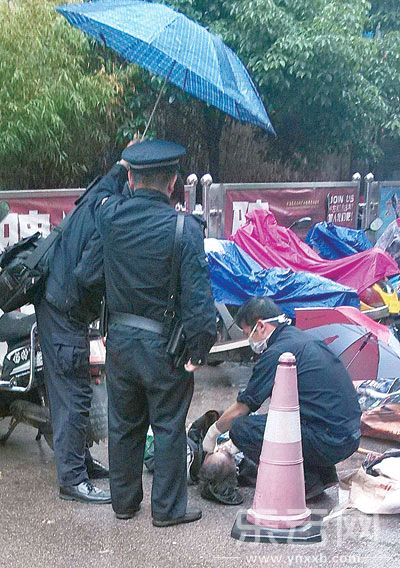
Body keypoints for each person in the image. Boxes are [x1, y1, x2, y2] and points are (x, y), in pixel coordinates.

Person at [92, 139, 217, 525]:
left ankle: (124, 504)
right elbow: (198, 302)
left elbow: (100, 196)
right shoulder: (185, 228)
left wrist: (121, 164)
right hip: (166, 347)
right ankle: (167, 509)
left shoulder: (109, 217)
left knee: (124, 426)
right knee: (168, 427)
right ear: (174, 182)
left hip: (121, 342)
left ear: (130, 177)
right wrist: (199, 350)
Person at [35, 157, 132, 504]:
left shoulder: (101, 195)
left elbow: (105, 182)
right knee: (74, 396)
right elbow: (88, 276)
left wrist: (124, 162)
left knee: (74, 394)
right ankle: (73, 480)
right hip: (65, 310)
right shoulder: (110, 219)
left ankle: (81, 462)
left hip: (56, 302)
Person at [203, 297, 362, 499]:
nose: (249, 340)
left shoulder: (278, 353)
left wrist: (213, 431)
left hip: (329, 440)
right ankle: (322, 474)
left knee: (242, 429)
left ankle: (305, 481)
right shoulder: (300, 338)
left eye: (246, 333)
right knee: (287, 419)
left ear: (260, 326)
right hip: (348, 435)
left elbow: (244, 407)